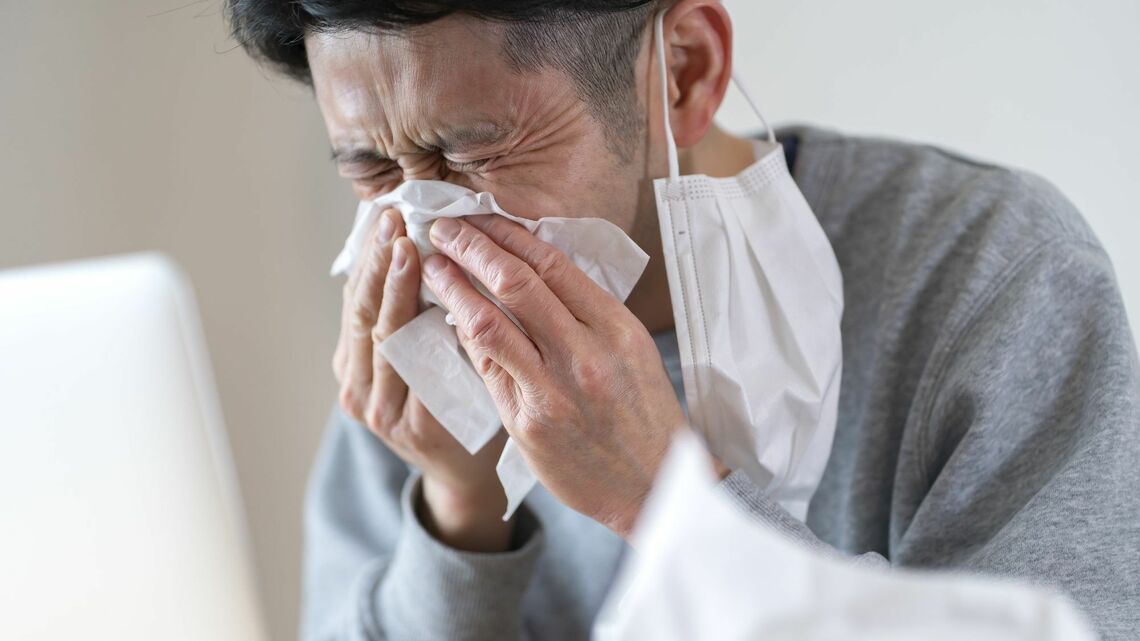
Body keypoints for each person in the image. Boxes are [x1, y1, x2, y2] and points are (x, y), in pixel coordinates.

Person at [226, 1, 1140, 639]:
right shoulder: (412, 336)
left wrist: (668, 499)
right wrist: (457, 515)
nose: (426, 223)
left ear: (685, 75)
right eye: (372, 172)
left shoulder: (989, 275)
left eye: (473, 152)